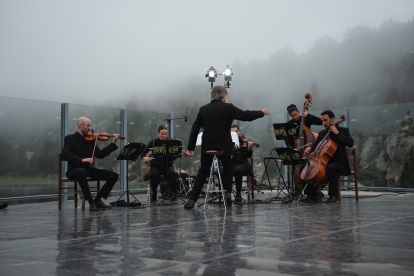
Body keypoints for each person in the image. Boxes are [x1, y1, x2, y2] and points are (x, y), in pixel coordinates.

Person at [184, 85, 270, 209]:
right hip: (223, 145)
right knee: (228, 166)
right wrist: (262, 112)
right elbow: (245, 115)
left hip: (207, 146)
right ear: (223, 96)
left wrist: (191, 148)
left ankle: (192, 200)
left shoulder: (203, 109)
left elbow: (194, 129)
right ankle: (228, 194)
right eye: (226, 96)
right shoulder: (227, 108)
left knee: (203, 170)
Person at [62, 117, 120, 211]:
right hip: (74, 169)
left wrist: (113, 143)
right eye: (88, 126)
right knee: (81, 172)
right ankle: (90, 202)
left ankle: (97, 200)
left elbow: (100, 155)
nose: (90, 128)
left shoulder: (91, 140)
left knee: (114, 175)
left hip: (88, 170)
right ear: (80, 125)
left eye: (90, 126)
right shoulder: (70, 138)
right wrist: (82, 160)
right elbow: (65, 153)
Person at [304, 110, 354, 203]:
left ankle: (332, 196)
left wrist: (337, 133)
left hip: (339, 163)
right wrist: (310, 148)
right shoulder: (322, 133)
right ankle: (311, 194)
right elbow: (316, 145)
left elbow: (350, 143)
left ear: (332, 119)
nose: (323, 123)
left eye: (325, 120)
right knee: (307, 166)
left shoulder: (343, 130)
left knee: (330, 168)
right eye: (322, 121)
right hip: (324, 162)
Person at [141, 125, 178, 203]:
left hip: (167, 165)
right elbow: (143, 152)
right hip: (156, 165)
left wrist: (177, 154)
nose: (164, 136)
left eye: (166, 134)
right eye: (162, 134)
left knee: (172, 172)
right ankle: (154, 193)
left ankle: (173, 195)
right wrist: (145, 157)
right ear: (158, 133)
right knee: (154, 175)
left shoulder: (170, 142)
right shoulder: (153, 142)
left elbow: (174, 156)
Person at [230, 124, 255, 202]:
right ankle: (225, 193)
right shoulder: (227, 142)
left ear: (239, 131)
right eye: (232, 132)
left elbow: (247, 155)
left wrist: (249, 148)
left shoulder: (243, 141)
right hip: (230, 164)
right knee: (220, 170)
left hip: (242, 164)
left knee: (238, 170)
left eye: (236, 131)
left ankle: (238, 193)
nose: (235, 133)